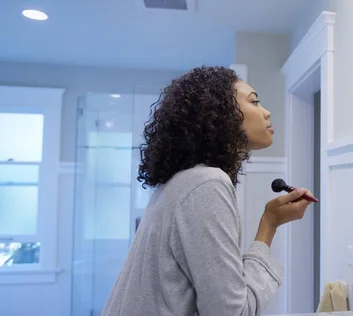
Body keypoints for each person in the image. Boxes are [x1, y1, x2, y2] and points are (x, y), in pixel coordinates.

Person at [102, 66, 314, 316]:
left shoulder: (183, 181)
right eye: (254, 102)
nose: (266, 112)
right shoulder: (206, 184)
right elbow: (232, 313)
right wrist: (269, 225)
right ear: (221, 115)